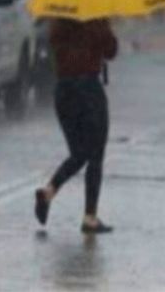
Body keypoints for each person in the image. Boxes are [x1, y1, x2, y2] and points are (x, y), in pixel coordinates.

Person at [35, 17, 118, 234]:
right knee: (96, 154)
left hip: (63, 92)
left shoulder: (58, 22)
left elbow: (55, 46)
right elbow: (111, 50)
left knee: (80, 153)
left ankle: (48, 192)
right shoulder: (96, 19)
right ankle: (90, 217)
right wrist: (106, 26)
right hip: (88, 90)